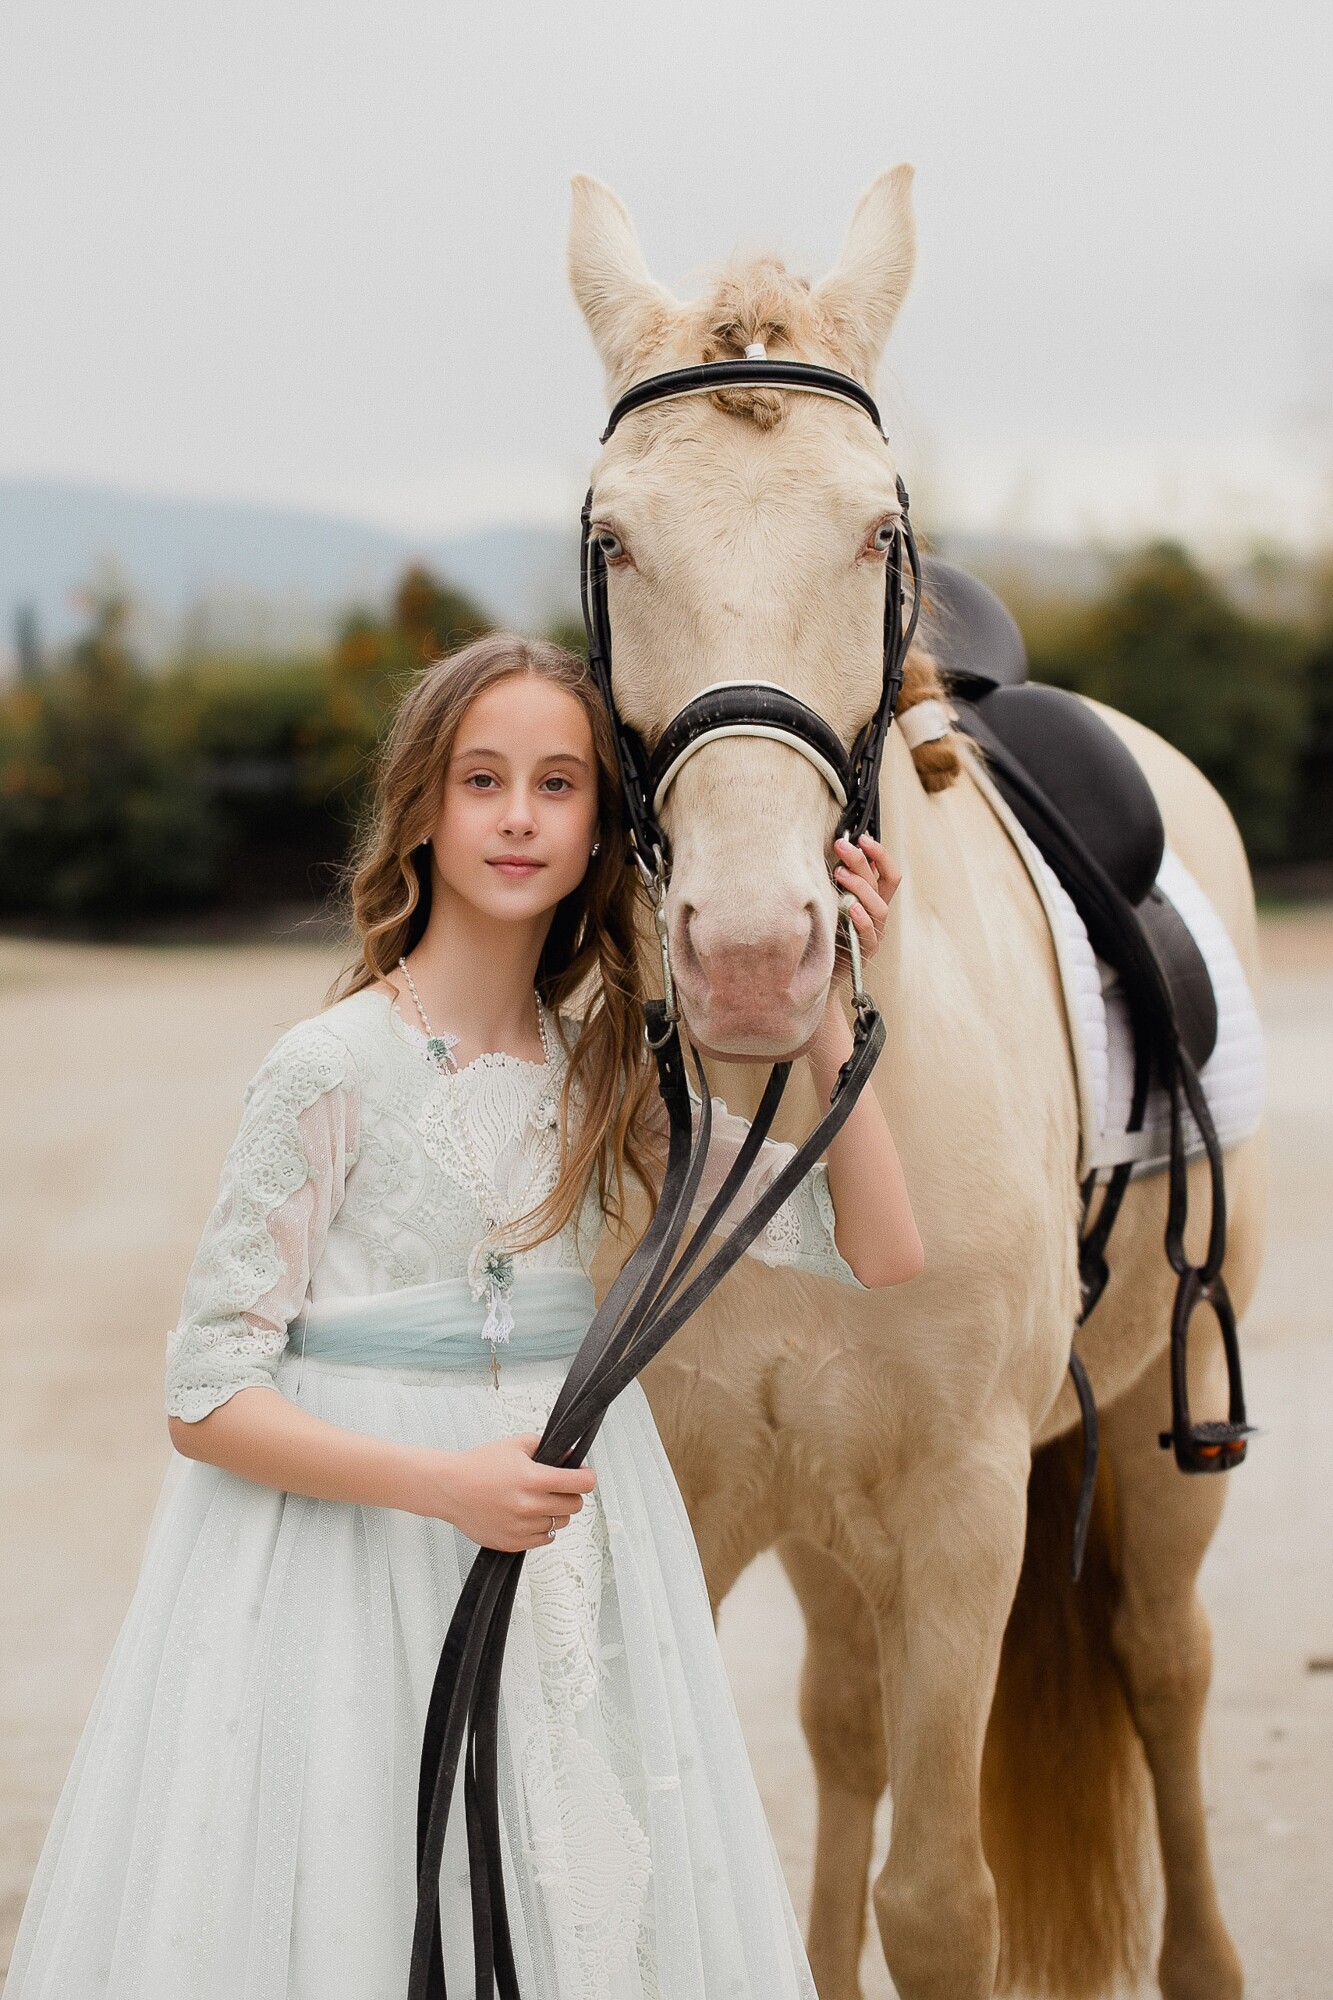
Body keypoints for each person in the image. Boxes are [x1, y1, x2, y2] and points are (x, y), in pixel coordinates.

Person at [8, 633, 923, 2000]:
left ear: (603, 827)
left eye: (558, 785)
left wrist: (827, 1008)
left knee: (573, 1885)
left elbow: (881, 1249)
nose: (515, 816)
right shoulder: (326, 1068)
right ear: (422, 807)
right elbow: (206, 1394)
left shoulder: (614, 1074)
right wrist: (444, 1485)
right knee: (370, 1879)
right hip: (346, 1556)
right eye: (481, 778)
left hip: (565, 1544)